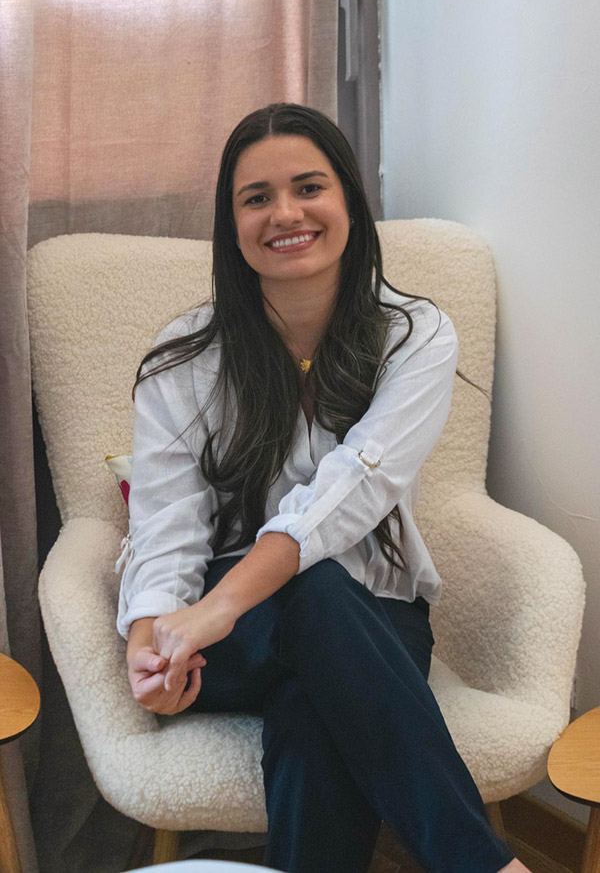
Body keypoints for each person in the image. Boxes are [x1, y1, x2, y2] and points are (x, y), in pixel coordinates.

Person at [117, 103, 528, 873]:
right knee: (315, 602)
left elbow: (354, 488)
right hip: (224, 641)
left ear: (349, 201)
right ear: (231, 223)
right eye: (257, 198)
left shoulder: (415, 335)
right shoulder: (185, 358)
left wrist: (218, 604)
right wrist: (151, 643)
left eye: (308, 187)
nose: (285, 213)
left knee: (316, 691)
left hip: (369, 615)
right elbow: (166, 522)